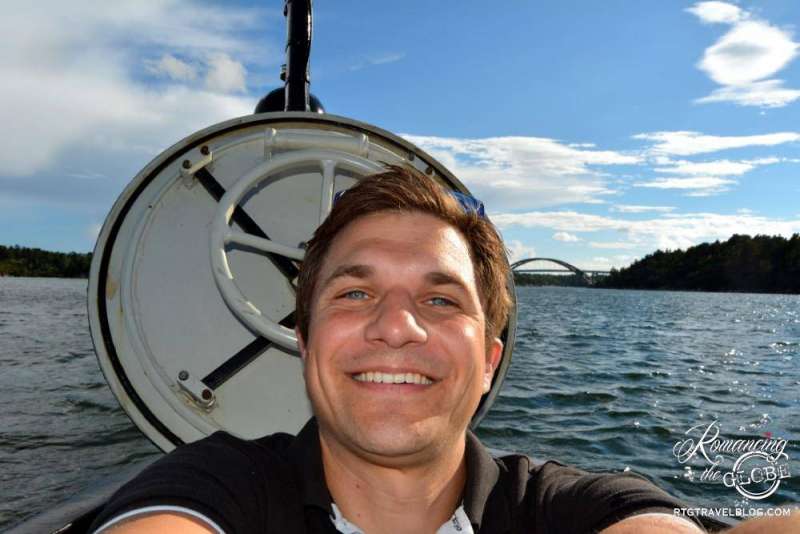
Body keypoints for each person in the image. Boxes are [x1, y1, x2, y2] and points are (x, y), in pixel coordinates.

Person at [90, 166, 795, 533]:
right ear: (305, 343)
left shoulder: (561, 506)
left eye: (441, 300)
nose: (397, 326)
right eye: (355, 293)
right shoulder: (219, 486)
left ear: (488, 362)